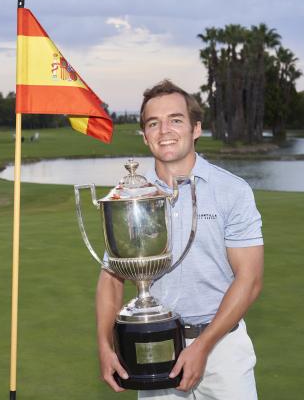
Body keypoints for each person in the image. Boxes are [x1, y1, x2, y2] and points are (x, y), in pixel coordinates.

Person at [96, 80, 264, 399]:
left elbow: (250, 279)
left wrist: (202, 346)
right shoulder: (131, 198)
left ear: (196, 128)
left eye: (176, 120)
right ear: (145, 135)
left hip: (223, 350)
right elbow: (111, 277)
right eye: (153, 123)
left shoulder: (232, 191)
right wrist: (105, 346)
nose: (165, 131)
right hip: (152, 347)